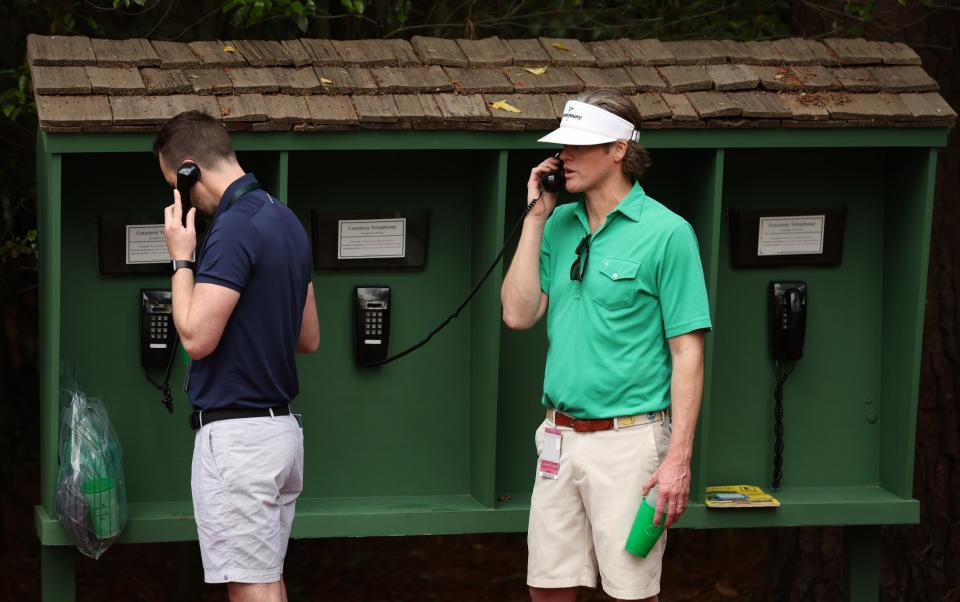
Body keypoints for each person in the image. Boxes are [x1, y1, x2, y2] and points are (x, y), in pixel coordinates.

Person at [501, 90, 712, 602]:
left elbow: (688, 352)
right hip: (558, 437)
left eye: (578, 146)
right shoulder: (558, 223)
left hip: (630, 441)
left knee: (630, 593)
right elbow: (518, 313)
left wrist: (677, 459)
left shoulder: (668, 233)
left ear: (619, 149)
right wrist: (534, 219)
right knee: (547, 589)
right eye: (561, 148)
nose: (563, 157)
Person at [156, 110, 319, 602]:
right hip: (279, 432)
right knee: (266, 579)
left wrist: (182, 257)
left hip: (238, 440)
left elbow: (195, 338)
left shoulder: (232, 228)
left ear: (188, 169)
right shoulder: (282, 218)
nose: (179, 196)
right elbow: (307, 336)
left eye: (175, 184)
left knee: (250, 586)